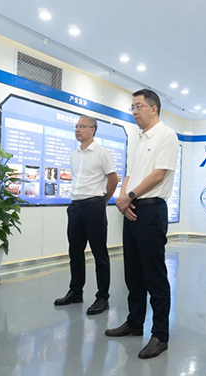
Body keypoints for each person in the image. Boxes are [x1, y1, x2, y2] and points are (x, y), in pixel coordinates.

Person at [105, 89, 179, 360]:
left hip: (151, 210)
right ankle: (135, 322)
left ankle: (160, 335)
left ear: (153, 108)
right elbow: (129, 174)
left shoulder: (166, 135)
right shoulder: (139, 139)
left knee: (154, 274)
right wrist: (123, 199)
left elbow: (159, 174)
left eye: (138, 106)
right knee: (133, 273)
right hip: (132, 208)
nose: (134, 112)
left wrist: (131, 196)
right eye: (132, 107)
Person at [54, 115, 119, 315]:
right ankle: (76, 292)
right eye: (76, 126)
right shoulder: (74, 155)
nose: (77, 129)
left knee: (100, 253)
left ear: (93, 130)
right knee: (75, 251)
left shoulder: (102, 153)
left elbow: (113, 179)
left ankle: (102, 297)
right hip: (75, 207)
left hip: (94, 206)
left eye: (82, 126)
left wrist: (102, 201)